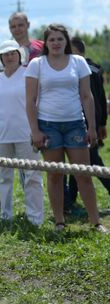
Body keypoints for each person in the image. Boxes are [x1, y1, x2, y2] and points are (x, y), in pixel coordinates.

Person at [25, 24, 107, 233]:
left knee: (84, 174)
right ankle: (60, 221)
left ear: (66, 41)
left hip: (75, 125)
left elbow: (87, 97)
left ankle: (95, 221)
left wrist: (92, 127)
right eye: (51, 39)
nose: (56, 43)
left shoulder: (78, 62)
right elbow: (30, 100)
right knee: (55, 175)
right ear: (46, 43)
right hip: (48, 125)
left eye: (60, 39)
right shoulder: (37, 64)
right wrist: (35, 131)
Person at [0, 40, 44, 225]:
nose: (9, 56)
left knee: (32, 176)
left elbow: (36, 102)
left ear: (19, 55)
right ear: (1, 58)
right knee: (4, 177)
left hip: (25, 134)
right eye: (5, 54)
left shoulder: (28, 74)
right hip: (1, 135)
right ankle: (5, 215)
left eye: (13, 53)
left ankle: (35, 218)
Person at [64, 37, 110, 212]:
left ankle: (70, 201)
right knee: (81, 162)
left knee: (93, 162)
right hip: (80, 122)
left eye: (70, 51)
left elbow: (96, 99)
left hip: (87, 124)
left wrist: (98, 125)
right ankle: (70, 200)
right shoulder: (91, 69)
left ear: (78, 52)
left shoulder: (86, 70)